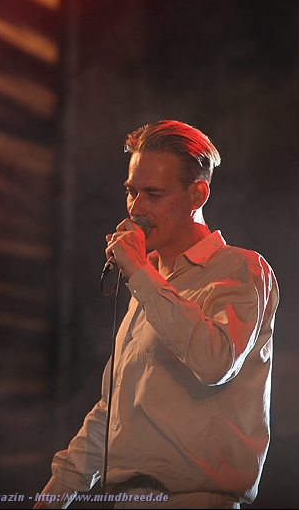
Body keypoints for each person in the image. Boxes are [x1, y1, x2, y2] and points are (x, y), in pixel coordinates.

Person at [35, 121, 279, 509]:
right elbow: (114, 412)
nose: (136, 208)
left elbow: (215, 362)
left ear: (197, 194)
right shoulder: (148, 283)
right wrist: (52, 498)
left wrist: (140, 273)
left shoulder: (240, 269)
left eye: (153, 194)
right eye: (131, 191)